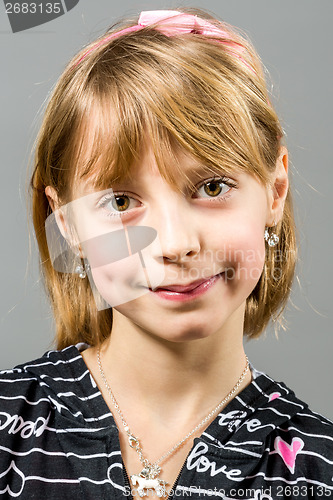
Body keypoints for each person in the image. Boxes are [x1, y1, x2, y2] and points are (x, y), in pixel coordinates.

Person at [0, 8, 332, 500]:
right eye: (119, 202)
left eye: (212, 186)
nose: (177, 244)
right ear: (66, 222)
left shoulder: (316, 470)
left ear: (275, 189)